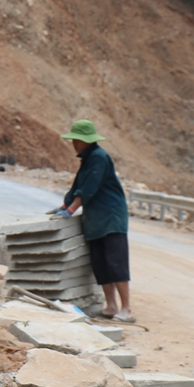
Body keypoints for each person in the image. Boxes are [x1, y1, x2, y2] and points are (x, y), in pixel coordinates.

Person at [56, 120, 134, 322]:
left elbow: (88, 189)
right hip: (96, 218)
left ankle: (126, 309)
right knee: (100, 263)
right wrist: (64, 205)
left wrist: (71, 209)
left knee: (116, 263)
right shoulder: (87, 159)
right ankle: (111, 306)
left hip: (110, 216)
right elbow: (77, 187)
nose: (74, 143)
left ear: (87, 140)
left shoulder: (99, 157)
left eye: (77, 140)